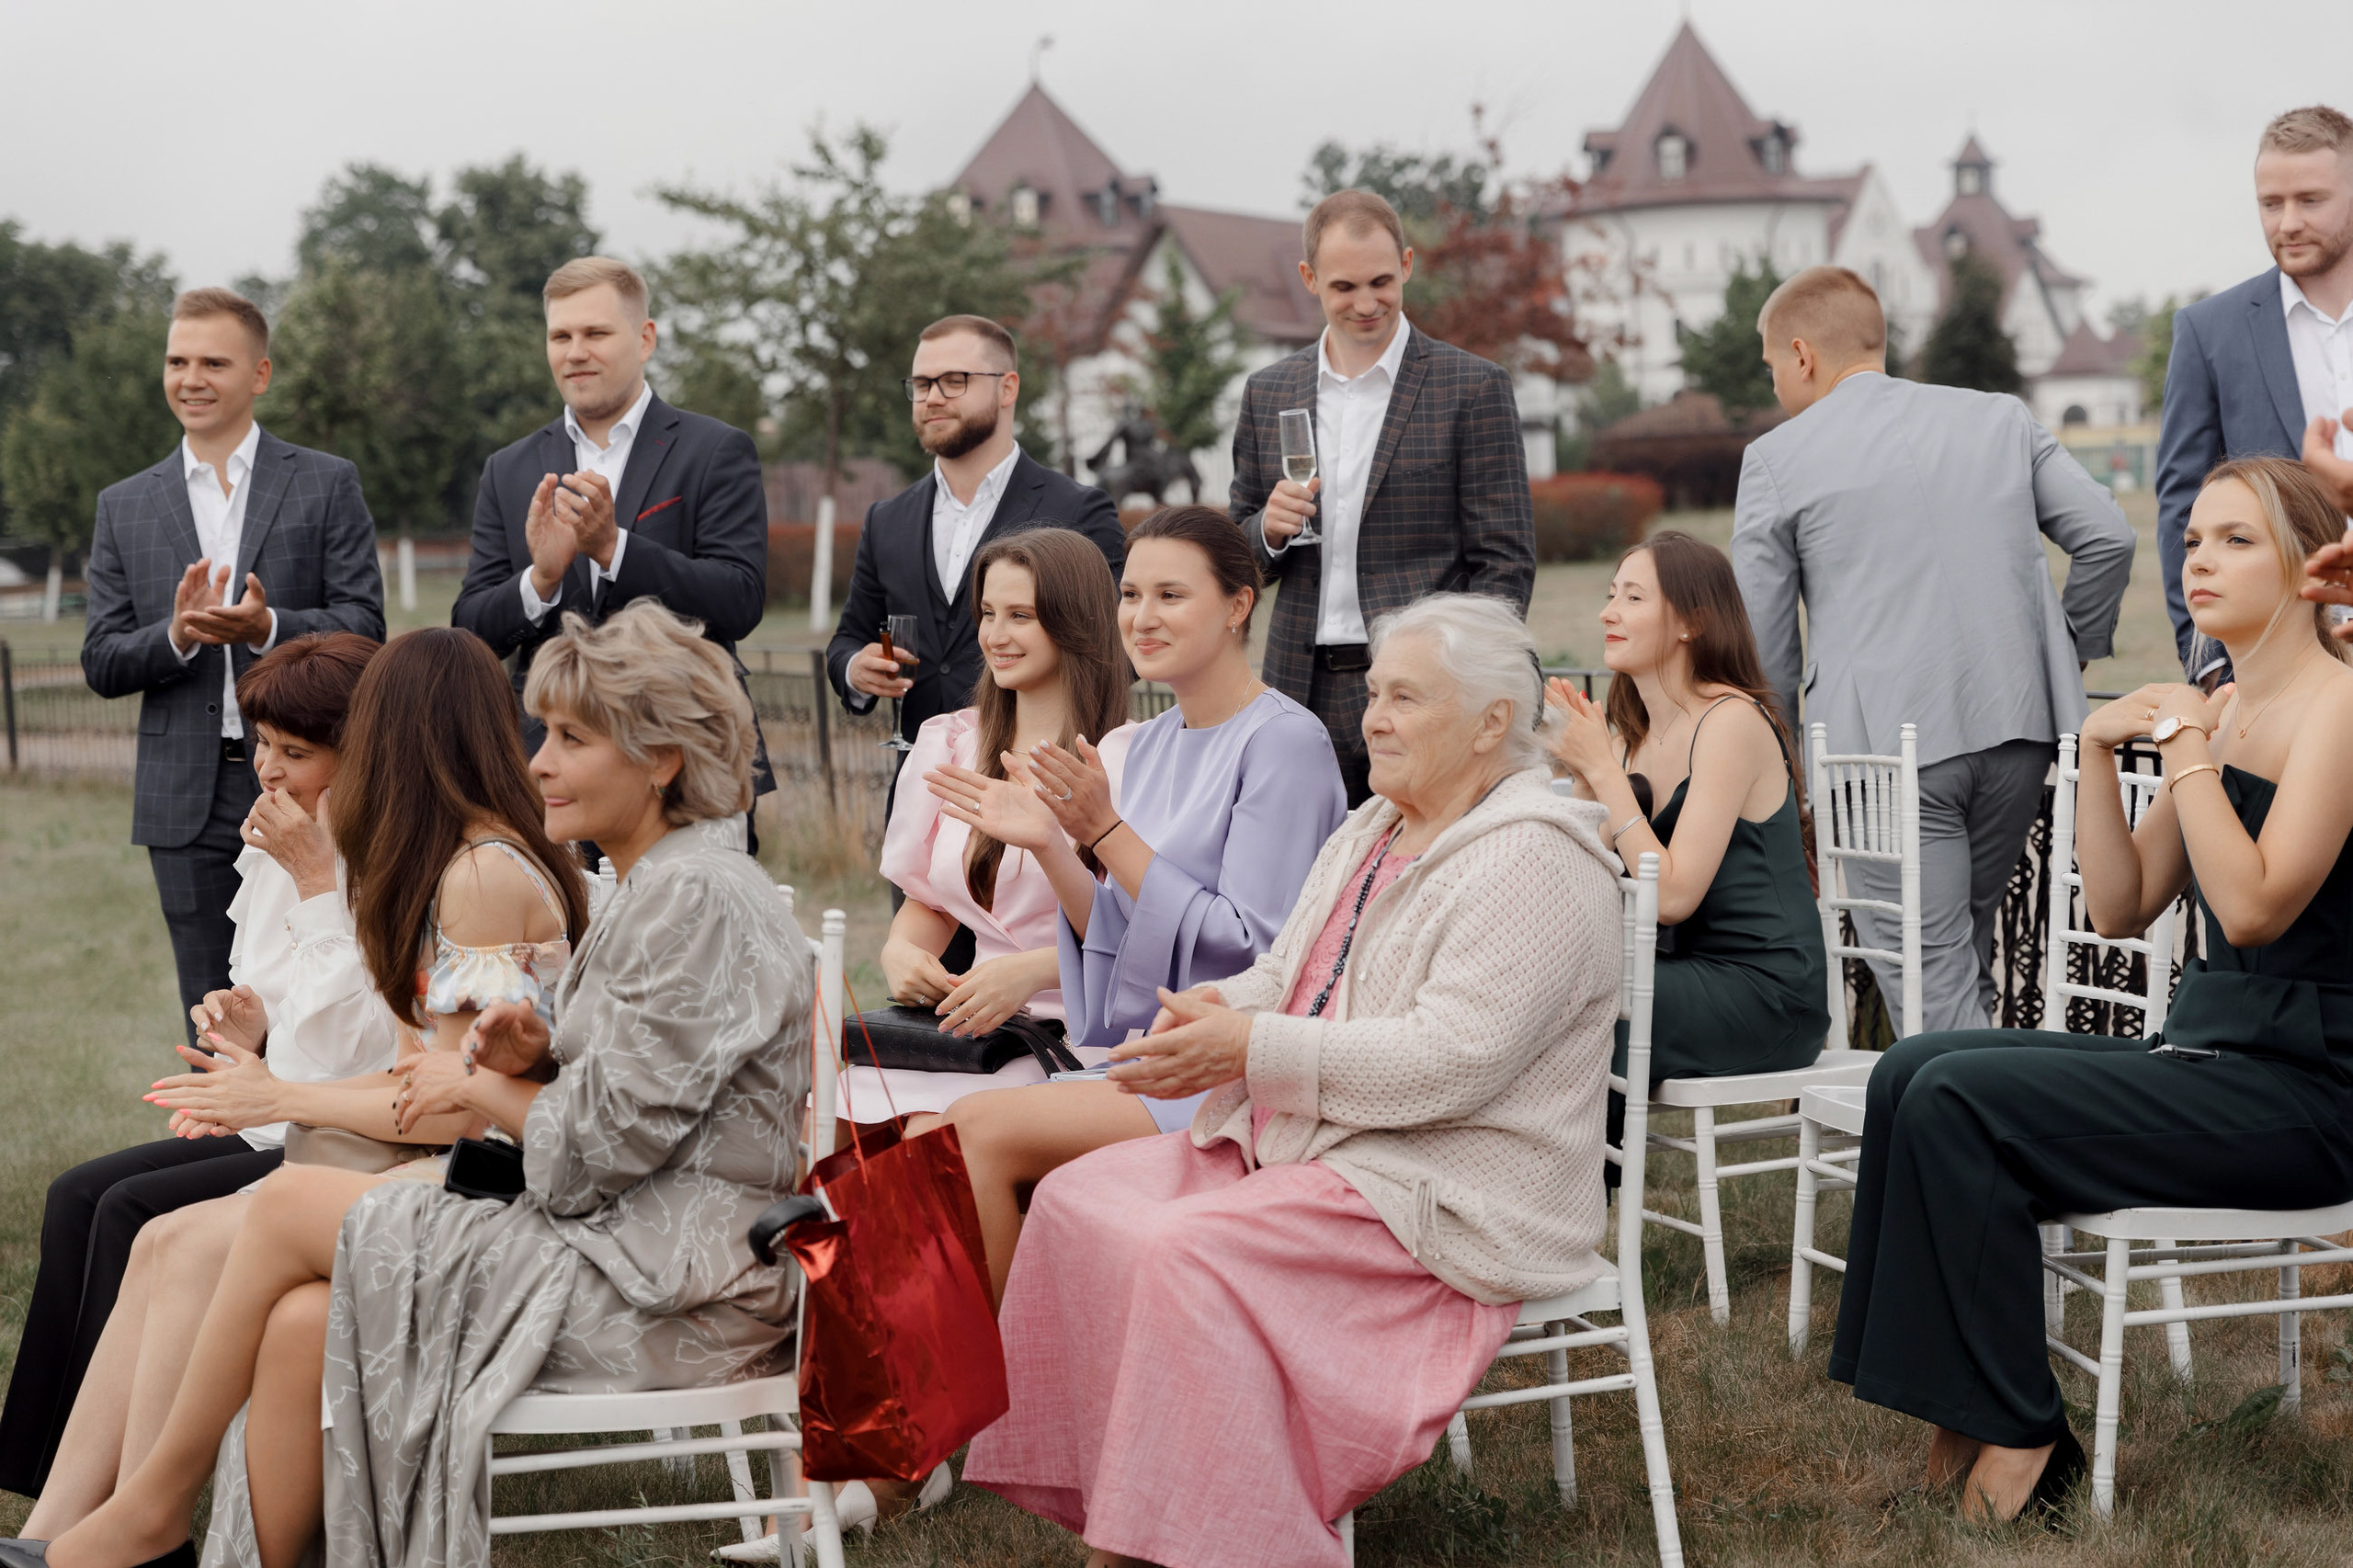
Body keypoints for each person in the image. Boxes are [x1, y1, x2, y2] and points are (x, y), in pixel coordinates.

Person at [9, 603, 806, 1568]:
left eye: (571, 737)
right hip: (616, 1234)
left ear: (663, 759)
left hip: (664, 1281)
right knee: (298, 1310)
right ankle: (167, 1525)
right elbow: (637, 1094)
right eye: (540, 731)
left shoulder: (689, 895)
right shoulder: (656, 884)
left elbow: (591, 1151)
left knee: (283, 1206)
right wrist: (527, 1053)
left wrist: (476, 1084)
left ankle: (150, 1510)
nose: (539, 760)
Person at [961, 593, 1624, 1568]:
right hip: (1315, 1139)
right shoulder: (1374, 824)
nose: (1374, 717)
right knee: (1072, 1200)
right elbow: (1288, 971)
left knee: (1188, 1252)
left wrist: (1246, 1049)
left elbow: (1448, 1061)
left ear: (1492, 723)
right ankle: (1135, 1507)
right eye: (1373, 694)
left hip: (1447, 1189)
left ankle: (1195, 1541)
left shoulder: (1532, 858)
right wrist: (1211, 1010)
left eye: (1406, 697)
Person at [1828, 455, 2353, 1524]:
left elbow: (2251, 910)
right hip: (2210, 1054)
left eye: (2235, 539)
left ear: (2310, 567)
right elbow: (2119, 904)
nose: (2197, 557)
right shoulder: (2221, 704)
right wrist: (2100, 757)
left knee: (1962, 1100)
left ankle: (2020, 1437)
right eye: (2194, 536)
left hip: (2311, 1091)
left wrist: (2188, 744)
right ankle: (1966, 1416)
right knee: (1914, 1066)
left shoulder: (2338, 707)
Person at [912, 505, 1346, 1305]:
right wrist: (1049, 841)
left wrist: (1105, 831)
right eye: (1131, 595)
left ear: (1239, 605)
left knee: (974, 1128)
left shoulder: (1285, 743)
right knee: (920, 1141)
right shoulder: (1148, 743)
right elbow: (1113, 931)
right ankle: (954, 1384)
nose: (1141, 619)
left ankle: (1005, 1399)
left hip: (1227, 1071)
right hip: (1145, 1055)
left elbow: (1250, 950)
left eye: (1170, 596)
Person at [0, 633, 391, 1503]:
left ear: (360, 752)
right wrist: (245, 1024)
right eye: (262, 745)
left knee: (130, 1207)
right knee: (76, 1196)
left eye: (297, 752)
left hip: (337, 1138)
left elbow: (359, 1047)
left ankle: (110, 1497)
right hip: (271, 1115)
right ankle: (46, 1484)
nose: (270, 770)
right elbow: (286, 1008)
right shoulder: (277, 848)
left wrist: (322, 881)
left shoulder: (372, 860)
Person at [1732, 264, 2135, 1035]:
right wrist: (2064, 652)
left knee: (1928, 979)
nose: (1777, 384)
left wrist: (1783, 776)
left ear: (1802, 354)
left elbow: (1767, 648)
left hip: (1880, 753)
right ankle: (1959, 1136)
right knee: (1956, 959)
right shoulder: (1999, 418)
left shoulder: (1776, 460)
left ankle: (1982, 1147)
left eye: (1773, 367)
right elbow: (2109, 538)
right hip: (2018, 730)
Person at [79, 287, 385, 1043]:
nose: (192, 377)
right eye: (177, 360)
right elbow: (101, 660)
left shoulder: (325, 480)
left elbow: (367, 629)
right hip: (182, 796)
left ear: (261, 373)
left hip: (312, 788)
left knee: (325, 973)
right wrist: (178, 635)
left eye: (214, 361)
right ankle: (219, 1152)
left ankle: (317, 1140)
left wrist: (270, 625)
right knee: (212, 1005)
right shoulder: (125, 504)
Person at [1228, 187, 1536, 806]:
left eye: (1381, 282)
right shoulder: (1268, 392)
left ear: (1408, 266)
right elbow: (1233, 560)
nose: (1367, 303)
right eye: (1345, 287)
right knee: (1304, 879)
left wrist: (1461, 683)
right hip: (1297, 685)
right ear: (1310, 278)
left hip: (1422, 692)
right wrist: (1267, 529)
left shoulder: (1471, 387)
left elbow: (1505, 563)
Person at [449, 256, 774, 833]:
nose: (575, 351)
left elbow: (739, 599)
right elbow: (471, 627)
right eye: (560, 335)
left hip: (679, 758)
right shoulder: (510, 468)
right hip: (547, 768)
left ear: (645, 338)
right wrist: (540, 582)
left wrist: (613, 549)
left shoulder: (715, 450)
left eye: (596, 333)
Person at [1546, 532, 1827, 1150]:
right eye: (1611, 593)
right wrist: (1565, 771)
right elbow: (1583, 878)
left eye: (1634, 597)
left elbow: (1670, 897)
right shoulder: (1628, 733)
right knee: (1538, 982)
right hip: (1682, 974)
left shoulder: (1732, 723)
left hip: (1767, 995)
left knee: (1575, 1003)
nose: (1608, 612)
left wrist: (1605, 775)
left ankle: (1572, 1198)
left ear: (1692, 622)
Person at [853, 528, 1138, 1119]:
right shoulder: (952, 743)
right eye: (987, 613)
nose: (995, 636)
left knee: (929, 1140)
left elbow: (1151, 933)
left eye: (1020, 615)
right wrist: (901, 952)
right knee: (824, 1115)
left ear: (1074, 621)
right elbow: (929, 901)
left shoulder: (1128, 759)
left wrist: (1033, 973)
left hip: (1081, 1029)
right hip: (970, 1029)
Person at [826, 315, 1124, 795]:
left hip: (1043, 788)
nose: (932, 397)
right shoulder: (887, 518)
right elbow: (848, 638)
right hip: (923, 795)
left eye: (953, 381)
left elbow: (1117, 646)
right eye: (921, 384)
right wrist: (854, 669)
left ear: (1008, 388)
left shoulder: (1076, 509)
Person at [2158, 106, 2353, 683]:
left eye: (2310, 200)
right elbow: (2181, 506)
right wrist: (2211, 665)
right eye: (2271, 203)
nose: (2287, 221)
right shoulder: (2208, 330)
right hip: (2276, 663)